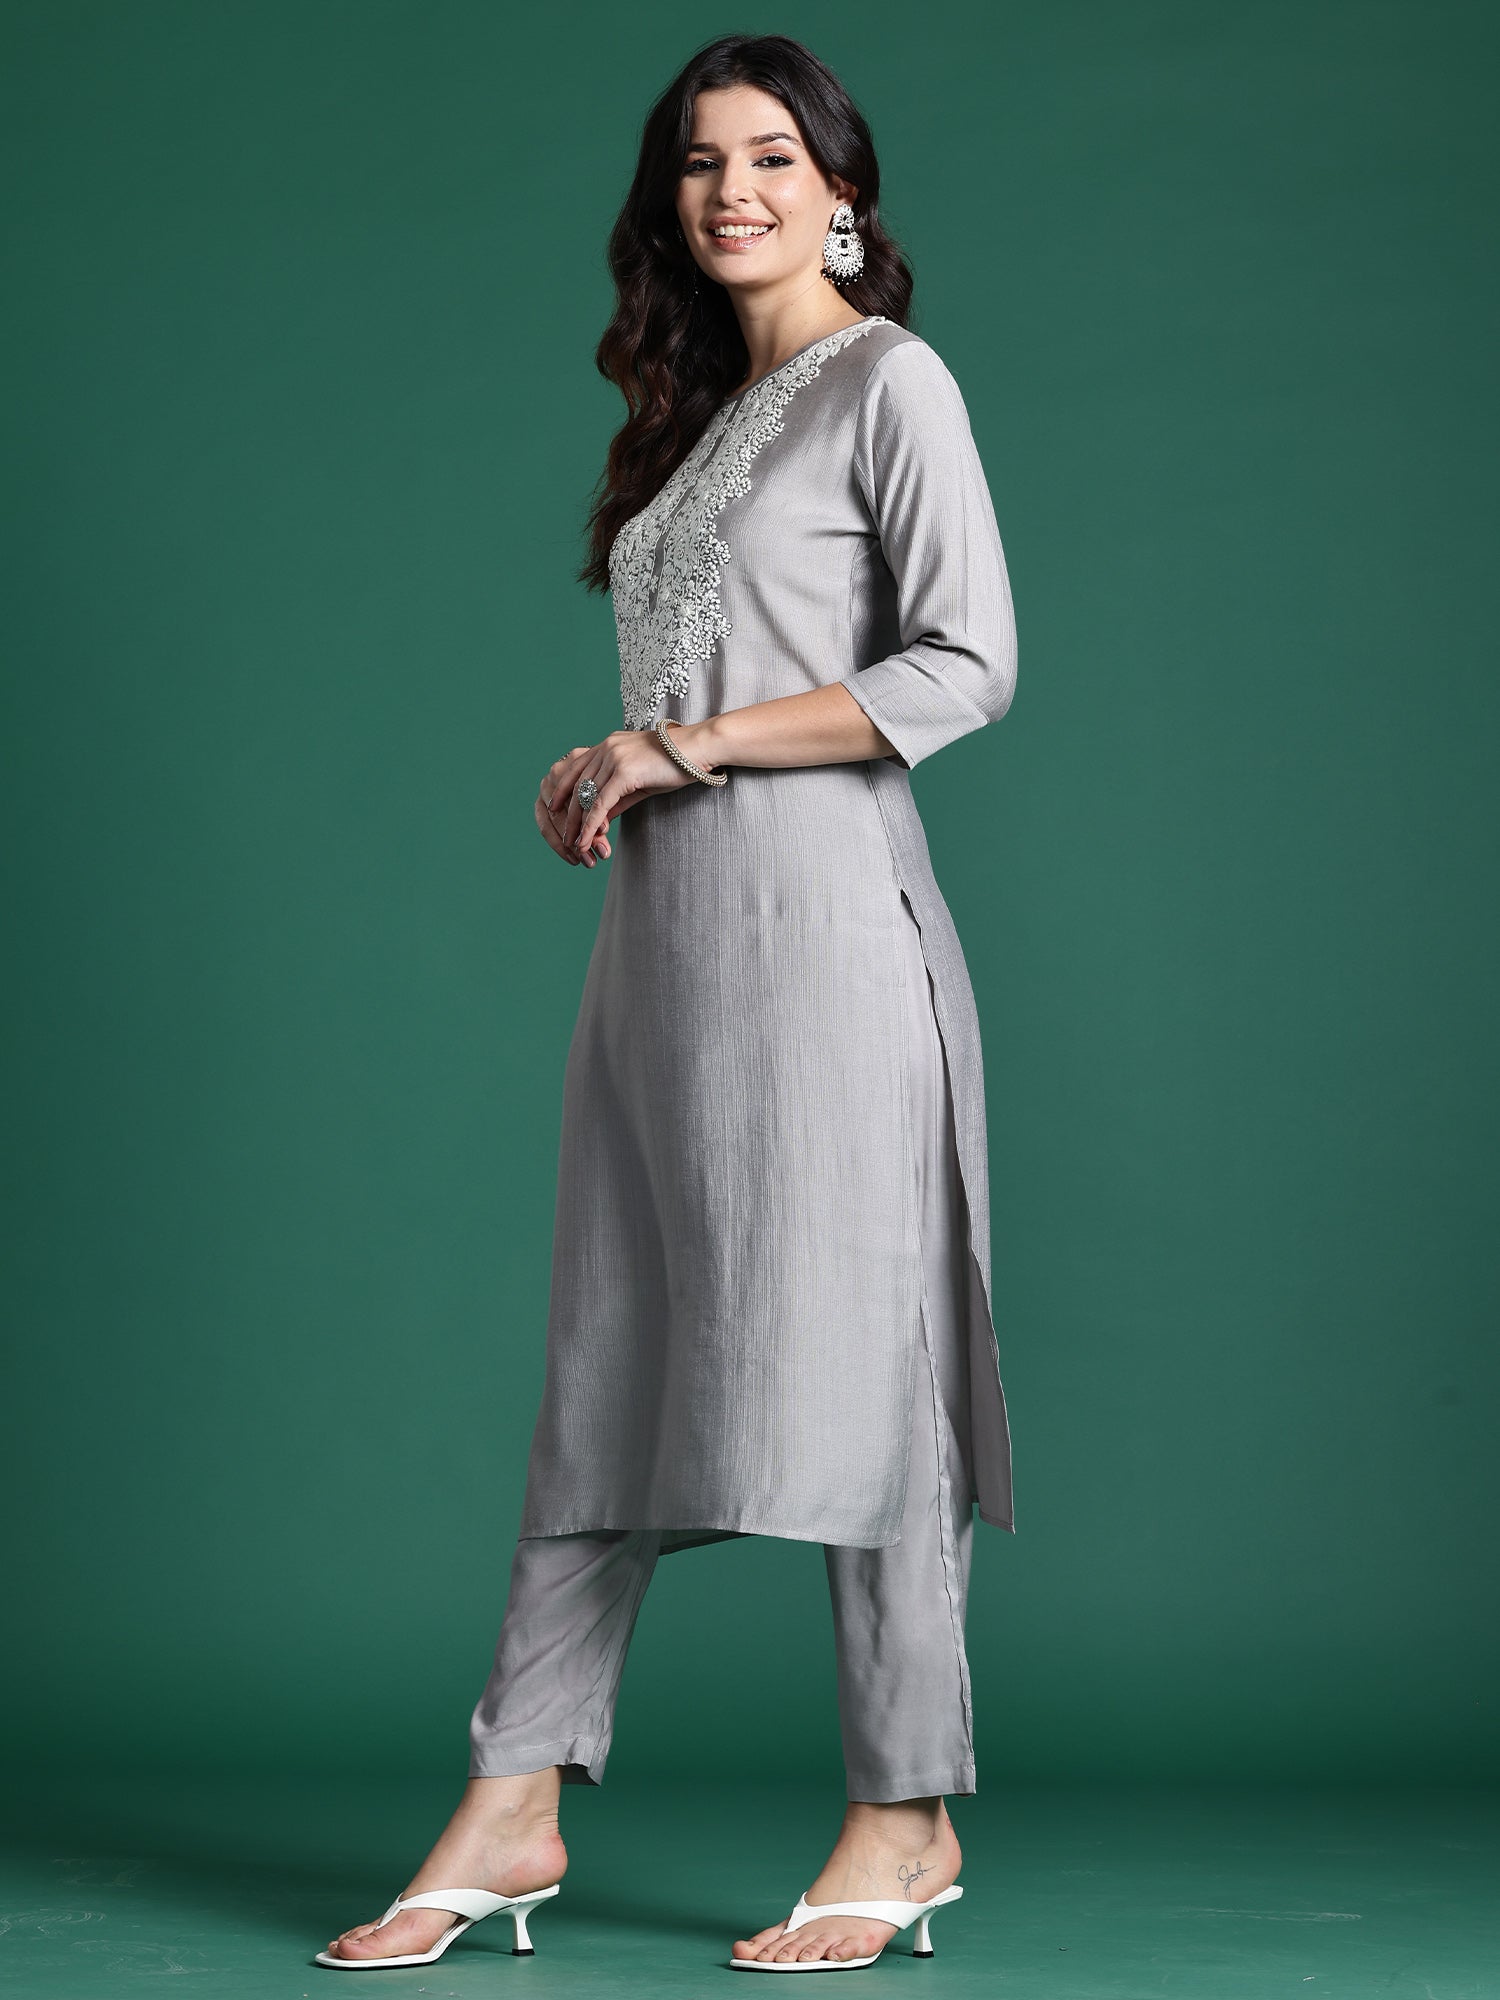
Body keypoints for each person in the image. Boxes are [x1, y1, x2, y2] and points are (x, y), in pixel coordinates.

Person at [316, 29, 1019, 1976]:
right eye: (701, 161)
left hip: (830, 941)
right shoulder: (702, 420)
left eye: (774, 156)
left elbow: (967, 661)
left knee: (875, 1374)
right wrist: (622, 756)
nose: (734, 190)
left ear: (843, 189)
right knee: (607, 1367)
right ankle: (513, 1795)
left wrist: (687, 744)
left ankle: (906, 1812)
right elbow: (701, 683)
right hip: (666, 959)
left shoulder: (892, 383)